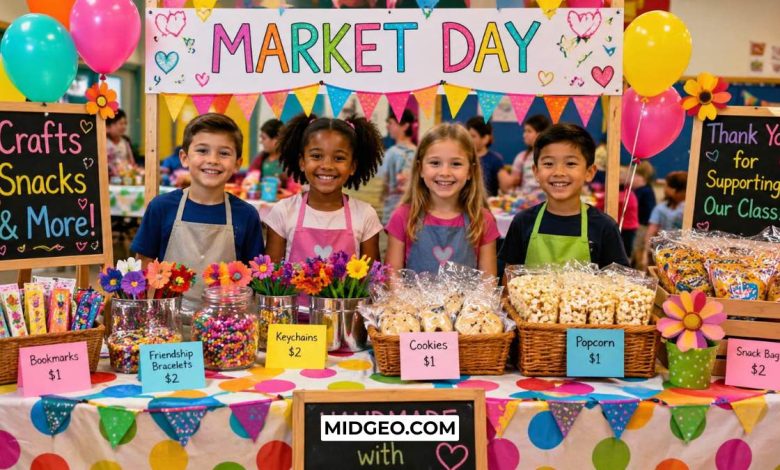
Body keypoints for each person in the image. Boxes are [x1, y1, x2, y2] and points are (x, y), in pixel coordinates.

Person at [131, 113, 264, 309]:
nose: (213, 160)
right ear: (184, 158)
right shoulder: (161, 207)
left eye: (224, 153)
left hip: (225, 328)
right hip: (168, 327)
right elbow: (143, 266)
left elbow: (254, 280)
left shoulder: (246, 215)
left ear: (237, 163)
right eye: (202, 150)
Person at [498, 123, 629, 268]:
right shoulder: (522, 222)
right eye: (548, 164)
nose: (558, 172)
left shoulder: (604, 227)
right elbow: (510, 277)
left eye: (571, 163)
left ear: (589, 172)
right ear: (536, 172)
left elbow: (619, 282)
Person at [264, 114, 384, 264]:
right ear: (302, 162)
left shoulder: (365, 215)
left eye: (339, 158)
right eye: (316, 156)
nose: (327, 165)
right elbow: (270, 280)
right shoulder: (283, 211)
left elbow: (372, 281)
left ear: (353, 166)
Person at [385, 123, 500, 275]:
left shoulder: (483, 220)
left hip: (466, 300)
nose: (445, 172)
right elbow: (393, 279)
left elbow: (487, 283)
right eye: (435, 163)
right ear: (420, 169)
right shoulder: (402, 217)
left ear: (470, 171)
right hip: (412, 300)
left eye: (456, 164)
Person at [378, 109, 417, 224]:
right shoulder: (417, 152)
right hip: (412, 211)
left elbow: (383, 183)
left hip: (392, 210)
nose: (387, 127)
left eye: (391, 123)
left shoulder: (392, 152)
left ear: (405, 126)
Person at [498, 114, 551, 195]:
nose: (524, 135)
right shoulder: (522, 157)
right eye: (525, 131)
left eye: (529, 131)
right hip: (525, 201)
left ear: (541, 134)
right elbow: (513, 183)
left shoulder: (553, 156)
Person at [645, 171, 687, 264]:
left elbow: (651, 230)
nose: (664, 188)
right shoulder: (661, 207)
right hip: (662, 254)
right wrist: (647, 252)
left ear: (675, 189)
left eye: (666, 185)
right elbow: (652, 230)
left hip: (681, 254)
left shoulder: (687, 209)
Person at [465, 117, 504, 197]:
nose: (468, 140)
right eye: (466, 136)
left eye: (473, 136)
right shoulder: (463, 158)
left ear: (485, 139)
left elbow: (505, 186)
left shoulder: (495, 159)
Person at [632, 160, 657, 270]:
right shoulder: (641, 190)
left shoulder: (645, 191)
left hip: (643, 225)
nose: (632, 179)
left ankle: (638, 269)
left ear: (643, 178)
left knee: (638, 248)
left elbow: (650, 211)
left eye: (636, 176)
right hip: (640, 224)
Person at [106, 109, 138, 179]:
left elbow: (132, 163)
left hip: (125, 178)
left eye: (125, 123)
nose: (124, 127)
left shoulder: (126, 142)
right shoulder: (103, 143)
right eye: (120, 123)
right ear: (108, 126)